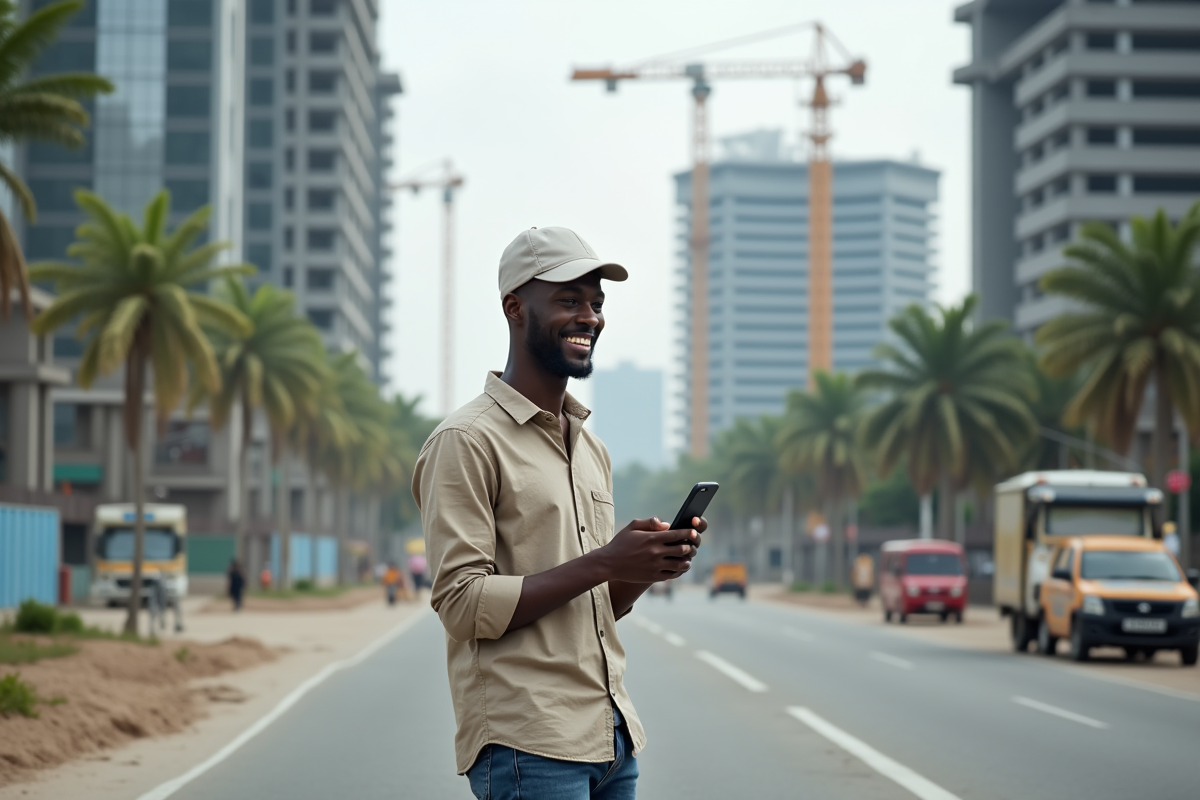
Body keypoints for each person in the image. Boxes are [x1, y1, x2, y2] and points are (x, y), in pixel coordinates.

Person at [414, 227, 706, 800]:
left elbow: (595, 609)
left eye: (596, 304)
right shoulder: (466, 441)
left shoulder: (590, 448)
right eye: (570, 301)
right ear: (515, 308)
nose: (590, 317)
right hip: (530, 745)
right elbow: (462, 605)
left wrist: (643, 570)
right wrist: (603, 561)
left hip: (611, 740)